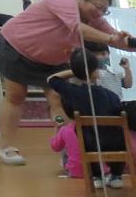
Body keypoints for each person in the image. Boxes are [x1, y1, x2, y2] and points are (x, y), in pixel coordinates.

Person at [0, 0, 136, 166]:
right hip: (16, 47)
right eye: (98, 7)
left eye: (104, 10)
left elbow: (114, 38)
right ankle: (6, 146)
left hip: (53, 60)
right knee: (16, 96)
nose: (99, 13)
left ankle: (68, 147)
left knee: (57, 99)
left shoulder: (94, 17)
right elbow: (79, 29)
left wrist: (134, 44)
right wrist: (111, 38)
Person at [47, 48, 127, 189]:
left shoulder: (72, 92)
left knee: (87, 137)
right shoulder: (111, 96)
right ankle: (116, 175)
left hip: (89, 145)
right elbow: (120, 113)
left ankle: (97, 176)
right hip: (114, 144)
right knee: (116, 136)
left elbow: (51, 80)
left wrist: (76, 71)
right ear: (95, 71)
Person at [48, 102, 81, 179]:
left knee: (66, 144)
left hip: (73, 171)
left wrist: (57, 130)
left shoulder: (65, 129)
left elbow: (55, 146)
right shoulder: (93, 127)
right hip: (95, 171)